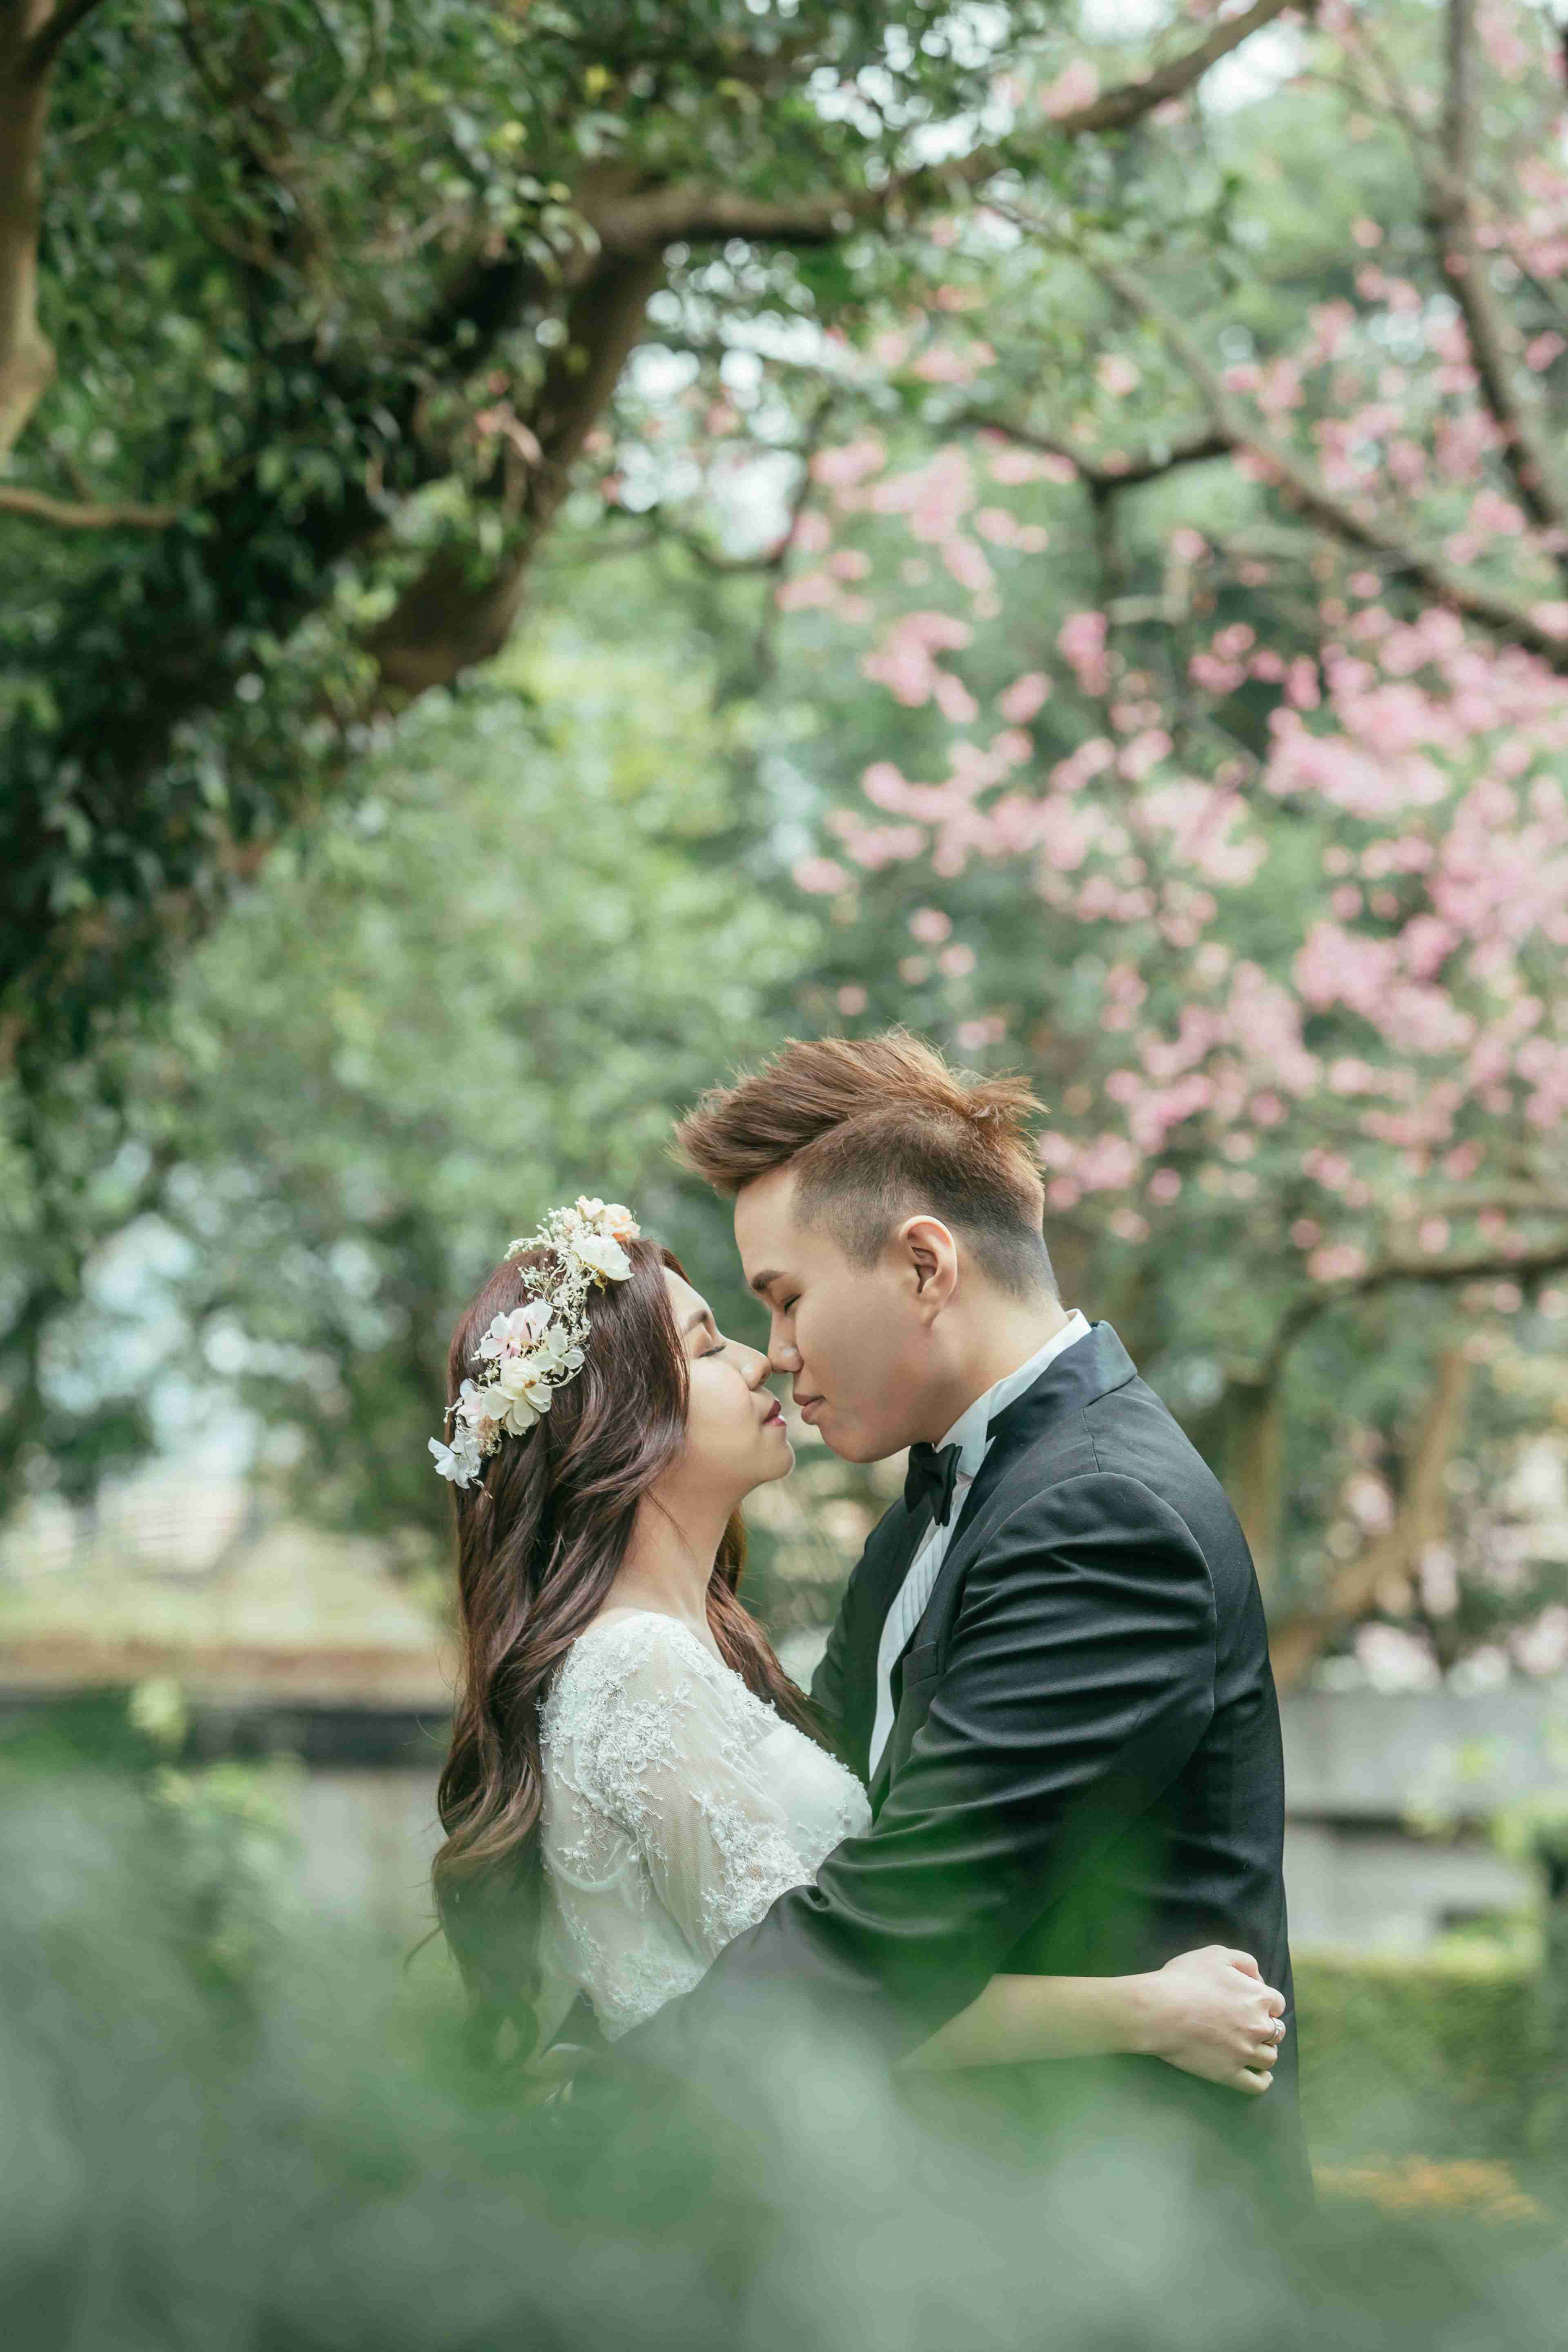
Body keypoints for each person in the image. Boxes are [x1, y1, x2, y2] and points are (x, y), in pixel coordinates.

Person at [605, 1030, 1308, 2199]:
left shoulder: (1104, 1521)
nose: (777, 1354)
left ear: (926, 1266)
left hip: (1127, 2234)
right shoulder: (928, 1516)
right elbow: (820, 1832)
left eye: (787, 1300)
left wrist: (594, 2109)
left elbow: (894, 1925)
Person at [428, 1192, 1287, 2112]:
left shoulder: (705, 1646)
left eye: (786, 1302)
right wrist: (1147, 2011)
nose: (764, 1357)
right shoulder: (638, 1669)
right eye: (710, 1348)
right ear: (620, 1421)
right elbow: (825, 1990)